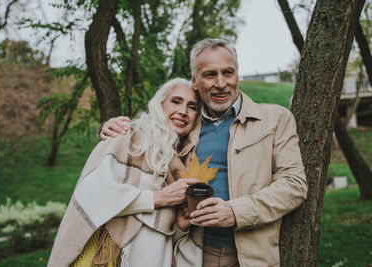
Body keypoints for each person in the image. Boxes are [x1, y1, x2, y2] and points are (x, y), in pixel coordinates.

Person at [98, 38, 308, 267]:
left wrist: (235, 212)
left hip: (251, 256)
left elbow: (294, 185)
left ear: (237, 74)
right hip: (193, 254)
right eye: (209, 75)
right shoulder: (184, 125)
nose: (221, 83)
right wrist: (110, 129)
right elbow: (149, 132)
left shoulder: (274, 119)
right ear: (195, 82)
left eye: (228, 72)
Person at [47, 78, 200, 267]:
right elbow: (92, 194)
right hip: (107, 256)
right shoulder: (128, 134)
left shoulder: (182, 164)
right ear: (160, 104)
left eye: (192, 107)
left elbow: (159, 230)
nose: (183, 111)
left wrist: (180, 227)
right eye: (176, 101)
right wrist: (159, 198)